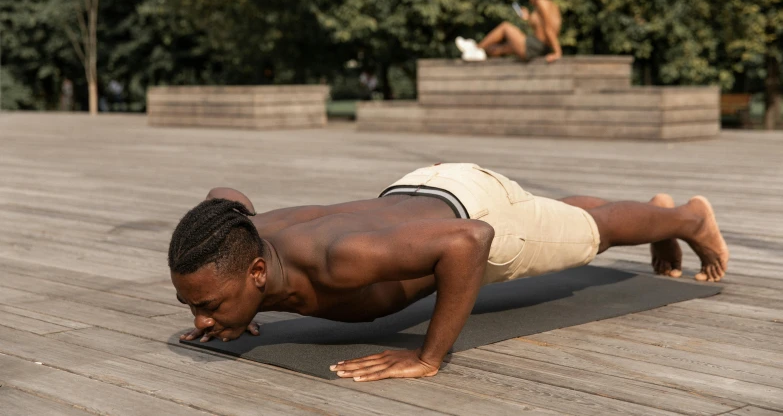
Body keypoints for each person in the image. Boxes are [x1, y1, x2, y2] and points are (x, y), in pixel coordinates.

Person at [169, 163, 729, 382]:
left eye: (210, 305)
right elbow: (225, 194)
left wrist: (427, 356)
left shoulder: (341, 258)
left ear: (258, 271)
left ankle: (688, 218)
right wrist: (234, 309)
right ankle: (657, 215)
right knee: (559, 214)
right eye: (195, 306)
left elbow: (470, 242)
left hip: (471, 215)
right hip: (421, 190)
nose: (201, 317)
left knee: (588, 234)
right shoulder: (242, 235)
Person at [456, 0, 562, 62]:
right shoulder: (553, 6)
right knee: (495, 50)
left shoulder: (541, 1)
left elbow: (549, 30)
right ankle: (478, 51)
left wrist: (557, 52)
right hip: (539, 46)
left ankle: (475, 48)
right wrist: (528, 17)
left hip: (535, 46)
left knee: (505, 27)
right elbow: (544, 28)